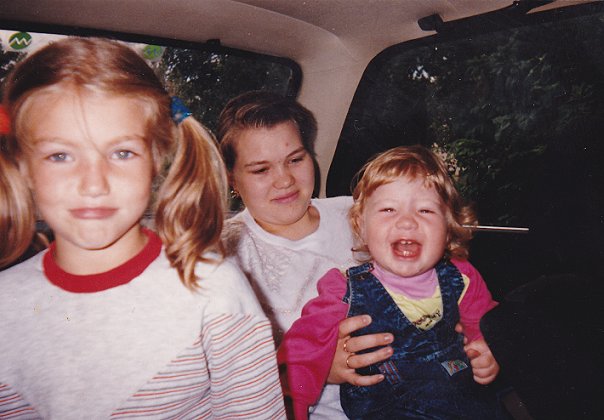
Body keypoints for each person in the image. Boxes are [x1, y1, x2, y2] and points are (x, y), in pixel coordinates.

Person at [0, 37, 285, 419]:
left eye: (122, 153)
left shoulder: (213, 291)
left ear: (155, 159)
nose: (93, 183)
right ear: (23, 167)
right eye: (60, 155)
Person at [279, 145, 505, 419]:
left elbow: (487, 325)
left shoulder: (462, 277)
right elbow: (298, 360)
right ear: (361, 226)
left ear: (448, 229)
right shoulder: (343, 290)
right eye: (388, 209)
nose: (407, 222)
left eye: (425, 211)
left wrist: (487, 350)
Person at [218, 91, 393, 419]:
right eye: (261, 170)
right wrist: (321, 367)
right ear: (233, 180)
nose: (284, 180)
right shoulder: (224, 255)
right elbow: (228, 380)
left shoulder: (359, 215)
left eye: (295, 160)